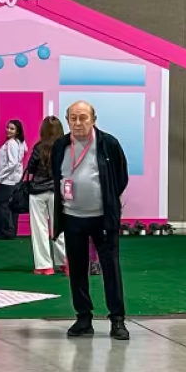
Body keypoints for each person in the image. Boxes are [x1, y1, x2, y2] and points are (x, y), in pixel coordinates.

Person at [52, 101, 131, 341]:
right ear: (67, 120)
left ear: (93, 120)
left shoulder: (109, 144)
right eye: (73, 118)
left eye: (83, 118)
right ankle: (83, 318)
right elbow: (57, 176)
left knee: (110, 268)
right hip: (72, 217)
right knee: (77, 270)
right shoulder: (60, 146)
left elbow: (121, 178)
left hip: (103, 218)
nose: (78, 123)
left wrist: (105, 200)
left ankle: (117, 320)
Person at [26, 116, 67, 275]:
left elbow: (30, 168)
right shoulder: (65, 147)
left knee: (39, 228)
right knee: (60, 228)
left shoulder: (39, 147)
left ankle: (44, 266)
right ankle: (65, 262)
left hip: (37, 191)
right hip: (57, 191)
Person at [0, 119, 27, 239]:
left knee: (2, 206)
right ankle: (11, 232)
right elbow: (24, 151)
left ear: (17, 131)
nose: (8, 130)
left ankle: (6, 233)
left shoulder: (11, 143)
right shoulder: (20, 142)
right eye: (8, 127)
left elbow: (12, 163)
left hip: (7, 181)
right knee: (11, 207)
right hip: (16, 180)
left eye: (12, 128)